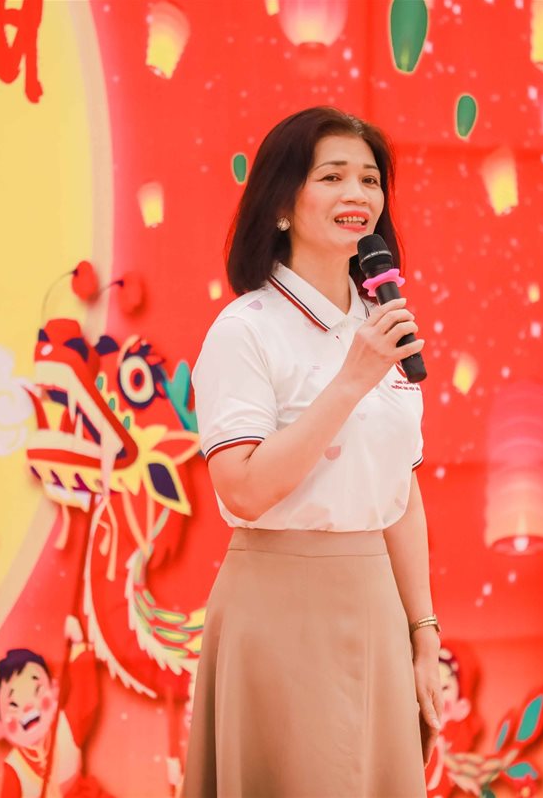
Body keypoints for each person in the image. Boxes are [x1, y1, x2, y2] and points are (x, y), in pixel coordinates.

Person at [183, 106, 441, 797]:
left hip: (376, 604)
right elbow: (241, 489)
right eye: (332, 176)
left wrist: (422, 628)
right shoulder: (246, 330)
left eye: (370, 179)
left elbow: (400, 491)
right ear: (281, 204)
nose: (358, 194)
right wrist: (352, 380)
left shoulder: (381, 322)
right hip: (279, 610)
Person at [0, 616, 104, 798]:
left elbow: (85, 696)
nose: (28, 707)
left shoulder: (65, 727)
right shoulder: (14, 767)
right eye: (14, 705)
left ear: (54, 690)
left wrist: (77, 645)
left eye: (37, 691)